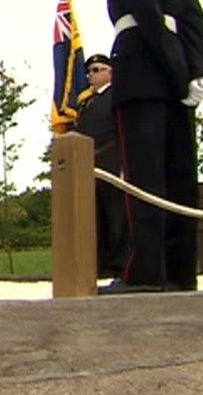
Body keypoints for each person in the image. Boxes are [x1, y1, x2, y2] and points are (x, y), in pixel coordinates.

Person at [98, 0, 203, 295]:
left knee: (144, 175)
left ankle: (145, 271)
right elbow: (196, 21)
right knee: (179, 174)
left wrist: (181, 72)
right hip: (174, 76)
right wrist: (195, 72)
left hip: (143, 71)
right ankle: (180, 271)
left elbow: (145, 13)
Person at [71, 54, 127, 277]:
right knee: (97, 215)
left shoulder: (116, 97)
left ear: (109, 72)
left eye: (97, 70)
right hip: (88, 162)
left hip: (111, 159)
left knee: (116, 214)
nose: (91, 75)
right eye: (89, 71)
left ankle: (118, 263)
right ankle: (101, 263)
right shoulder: (87, 102)